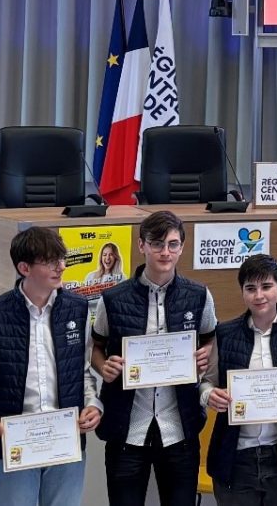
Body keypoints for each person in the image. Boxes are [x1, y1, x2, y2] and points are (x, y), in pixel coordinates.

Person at [91, 210, 217, 506]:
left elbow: (211, 337)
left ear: (182, 248)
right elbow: (96, 347)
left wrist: (205, 355)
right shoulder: (112, 299)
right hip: (127, 429)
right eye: (157, 243)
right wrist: (103, 366)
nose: (165, 252)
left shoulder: (199, 296)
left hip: (179, 428)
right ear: (141, 245)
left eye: (173, 244)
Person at [0, 226, 103, 505]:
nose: (61, 267)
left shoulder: (77, 309)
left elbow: (83, 372)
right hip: (13, 441)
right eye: (50, 261)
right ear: (24, 268)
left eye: (62, 259)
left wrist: (93, 405)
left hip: (66, 441)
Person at [200, 254, 277, 505]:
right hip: (236, 457)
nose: (259, 296)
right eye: (250, 289)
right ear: (242, 292)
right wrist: (210, 395)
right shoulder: (224, 334)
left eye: (266, 287)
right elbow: (206, 382)